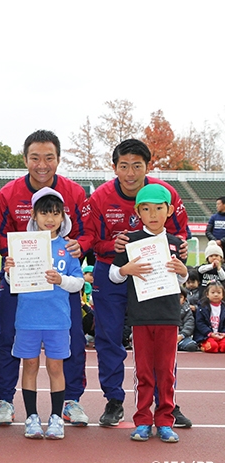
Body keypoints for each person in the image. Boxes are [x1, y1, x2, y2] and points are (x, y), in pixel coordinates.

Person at [82, 139, 188, 427]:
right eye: (124, 166)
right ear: (114, 166)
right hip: (112, 271)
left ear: (147, 166)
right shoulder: (100, 198)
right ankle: (114, 400)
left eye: (137, 166)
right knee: (109, 337)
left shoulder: (167, 194)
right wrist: (111, 245)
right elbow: (90, 240)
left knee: (162, 339)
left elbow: (180, 233)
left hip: (154, 275)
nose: (130, 173)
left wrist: (183, 250)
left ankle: (167, 404)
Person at [0, 130, 92, 427]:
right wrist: (12, 260)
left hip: (61, 280)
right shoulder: (8, 194)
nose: (42, 164)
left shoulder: (75, 193)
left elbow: (87, 233)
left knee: (71, 339)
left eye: (49, 158)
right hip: (20, 278)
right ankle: (5, 399)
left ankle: (70, 400)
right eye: (35, 157)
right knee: (9, 337)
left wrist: (81, 245)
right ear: (25, 159)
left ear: (58, 159)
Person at [109, 183, 187, 442]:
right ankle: (142, 420)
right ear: (137, 211)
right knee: (143, 371)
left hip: (168, 316)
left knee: (166, 372)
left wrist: (183, 271)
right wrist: (125, 269)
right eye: (146, 208)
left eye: (158, 208)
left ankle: (165, 420)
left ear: (170, 210)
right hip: (141, 317)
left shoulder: (176, 244)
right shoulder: (129, 241)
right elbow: (113, 275)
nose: (152, 214)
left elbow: (183, 281)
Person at [5, 188, 84, 439]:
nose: (49, 218)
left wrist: (61, 279)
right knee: (29, 365)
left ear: (63, 217)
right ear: (34, 215)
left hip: (57, 319)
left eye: (55, 213)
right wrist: (9, 270)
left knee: (55, 367)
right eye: (44, 213)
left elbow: (79, 282)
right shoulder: (22, 244)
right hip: (28, 318)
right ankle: (31, 418)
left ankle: (57, 418)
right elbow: (11, 280)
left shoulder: (68, 248)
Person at [193, 281, 225, 352]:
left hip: (221, 335)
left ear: (223, 295)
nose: (216, 295)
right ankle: (202, 345)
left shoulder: (223, 308)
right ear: (207, 294)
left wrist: (223, 333)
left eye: (219, 293)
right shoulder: (202, 307)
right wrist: (210, 333)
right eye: (213, 293)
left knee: (224, 347)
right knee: (213, 347)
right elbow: (200, 323)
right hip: (206, 335)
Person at [178, 287, 199, 352]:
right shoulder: (165, 310)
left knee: (192, 346)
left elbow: (189, 324)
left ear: (184, 299)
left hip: (182, 337)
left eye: (180, 297)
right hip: (168, 336)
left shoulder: (187, 310)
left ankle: (179, 345)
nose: (177, 299)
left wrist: (182, 335)